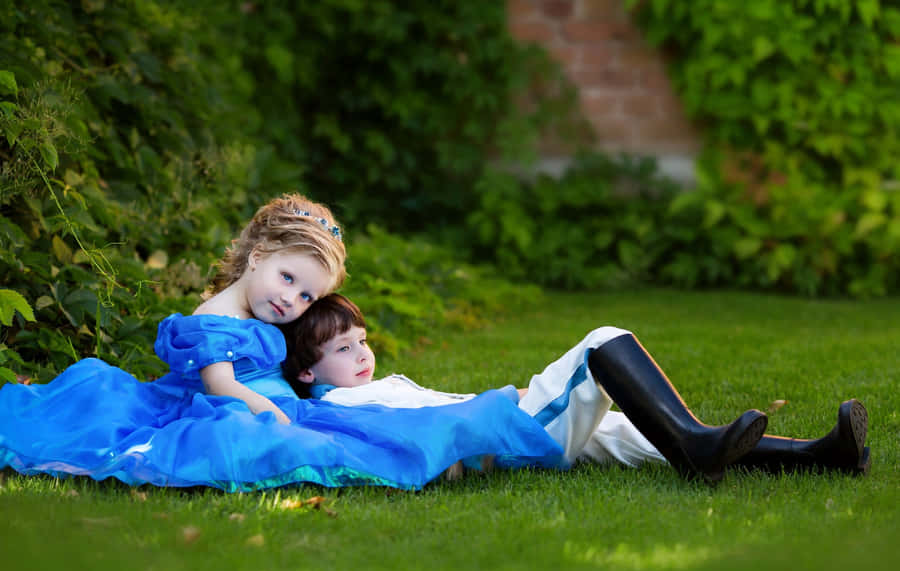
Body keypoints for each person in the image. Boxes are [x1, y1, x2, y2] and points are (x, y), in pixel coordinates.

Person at [0, 194, 564, 491]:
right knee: (305, 444)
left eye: (306, 296)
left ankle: (461, 434)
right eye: (287, 280)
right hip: (232, 409)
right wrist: (272, 413)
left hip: (282, 400)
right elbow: (221, 385)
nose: (291, 302)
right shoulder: (216, 315)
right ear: (257, 257)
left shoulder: (263, 308)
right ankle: (439, 449)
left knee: (371, 420)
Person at [282, 294, 870, 482]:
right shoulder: (341, 409)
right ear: (306, 372)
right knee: (601, 341)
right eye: (342, 350)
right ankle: (696, 449)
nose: (361, 355)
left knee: (643, 433)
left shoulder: (367, 387)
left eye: (361, 340)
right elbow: (414, 449)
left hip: (502, 428)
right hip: (509, 436)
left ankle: (821, 456)